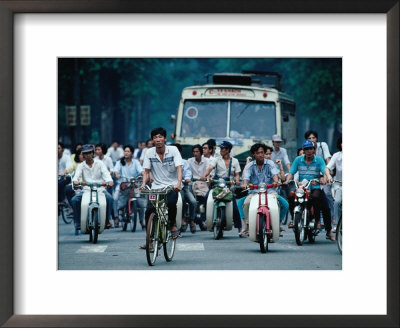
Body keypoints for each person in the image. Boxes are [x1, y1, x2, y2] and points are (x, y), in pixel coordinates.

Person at [139, 127, 183, 248]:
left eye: (160, 137)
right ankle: (150, 241)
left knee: (172, 202)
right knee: (149, 210)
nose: (158, 140)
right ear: (153, 140)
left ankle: (172, 225)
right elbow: (146, 171)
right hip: (156, 187)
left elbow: (179, 167)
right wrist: (143, 184)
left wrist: (179, 183)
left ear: (165, 138)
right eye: (155, 137)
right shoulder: (149, 152)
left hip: (171, 185)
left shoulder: (173, 150)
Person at [284, 140, 335, 241]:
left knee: (320, 201)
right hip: (302, 188)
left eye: (311, 149)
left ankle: (318, 222)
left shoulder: (319, 160)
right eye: (306, 149)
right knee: (290, 196)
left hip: (315, 187)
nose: (309, 151)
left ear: (314, 150)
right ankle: (294, 219)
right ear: (303, 150)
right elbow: (291, 172)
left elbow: (325, 170)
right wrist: (287, 180)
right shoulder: (298, 160)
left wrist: (328, 177)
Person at [241, 143, 289, 236]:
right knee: (246, 203)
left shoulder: (270, 163)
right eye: (258, 153)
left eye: (262, 152)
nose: (260, 155)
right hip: (254, 193)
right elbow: (246, 178)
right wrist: (245, 184)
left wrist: (276, 181)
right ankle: (249, 225)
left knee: (280, 204)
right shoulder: (249, 166)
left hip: (270, 192)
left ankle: (276, 224)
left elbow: (275, 175)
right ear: (253, 154)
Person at [201, 140, 243, 236]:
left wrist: (237, 180)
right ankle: (205, 220)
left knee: (235, 207)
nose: (221, 150)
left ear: (228, 150)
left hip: (228, 186)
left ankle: (240, 229)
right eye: (220, 149)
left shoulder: (235, 161)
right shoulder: (216, 159)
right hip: (217, 184)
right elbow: (210, 168)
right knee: (206, 198)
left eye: (223, 149)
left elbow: (237, 174)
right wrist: (205, 175)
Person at [71, 144, 114, 234]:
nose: (88, 155)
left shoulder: (100, 163)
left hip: (100, 189)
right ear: (83, 155)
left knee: (109, 198)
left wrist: (109, 181)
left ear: (93, 154)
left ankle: (107, 220)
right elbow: (76, 176)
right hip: (86, 190)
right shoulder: (81, 166)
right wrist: (75, 181)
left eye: (89, 153)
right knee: (74, 200)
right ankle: (78, 222)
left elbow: (106, 174)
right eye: (85, 154)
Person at [112, 144, 144, 229]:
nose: (126, 153)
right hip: (122, 185)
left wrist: (144, 175)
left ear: (132, 153)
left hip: (134, 185)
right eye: (125, 151)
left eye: (128, 151)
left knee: (140, 202)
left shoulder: (136, 162)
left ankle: (141, 221)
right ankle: (116, 218)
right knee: (115, 199)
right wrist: (117, 174)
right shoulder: (120, 162)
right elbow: (115, 171)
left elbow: (141, 171)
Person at [172, 143, 198, 233]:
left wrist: (187, 178)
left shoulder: (184, 162)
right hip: (170, 187)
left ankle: (191, 220)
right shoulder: (167, 162)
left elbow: (188, 173)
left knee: (193, 202)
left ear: (179, 152)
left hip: (183, 187)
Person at [187, 144, 210, 231]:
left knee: (207, 199)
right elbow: (187, 172)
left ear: (201, 152)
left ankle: (205, 218)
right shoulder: (190, 161)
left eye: (197, 151)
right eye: (194, 152)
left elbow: (209, 172)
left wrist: (206, 178)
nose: (195, 153)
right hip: (193, 183)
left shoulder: (207, 161)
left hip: (204, 183)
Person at [325, 136, 342, 232]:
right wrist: (329, 176)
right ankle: (337, 224)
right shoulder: (337, 156)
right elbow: (327, 168)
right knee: (337, 202)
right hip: (340, 185)